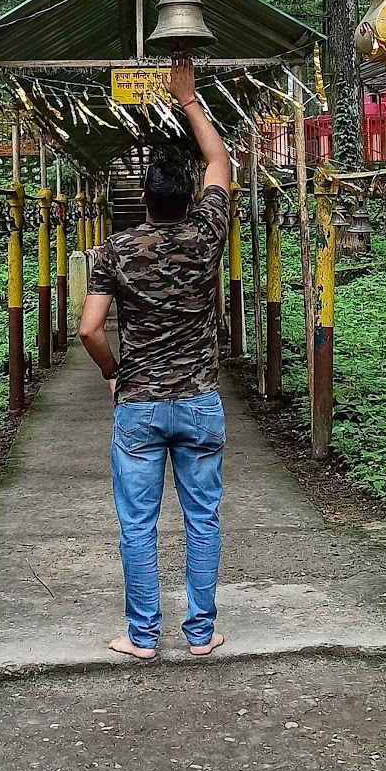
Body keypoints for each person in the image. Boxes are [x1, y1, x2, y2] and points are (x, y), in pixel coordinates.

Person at [78, 54, 232, 660]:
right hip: (199, 400)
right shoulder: (206, 234)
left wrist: (114, 372)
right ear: (190, 198)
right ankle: (200, 633)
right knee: (202, 520)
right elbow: (220, 162)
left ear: (143, 201)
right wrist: (188, 98)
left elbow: (90, 329)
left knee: (138, 524)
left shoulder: (115, 250)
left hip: (139, 404)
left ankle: (142, 636)